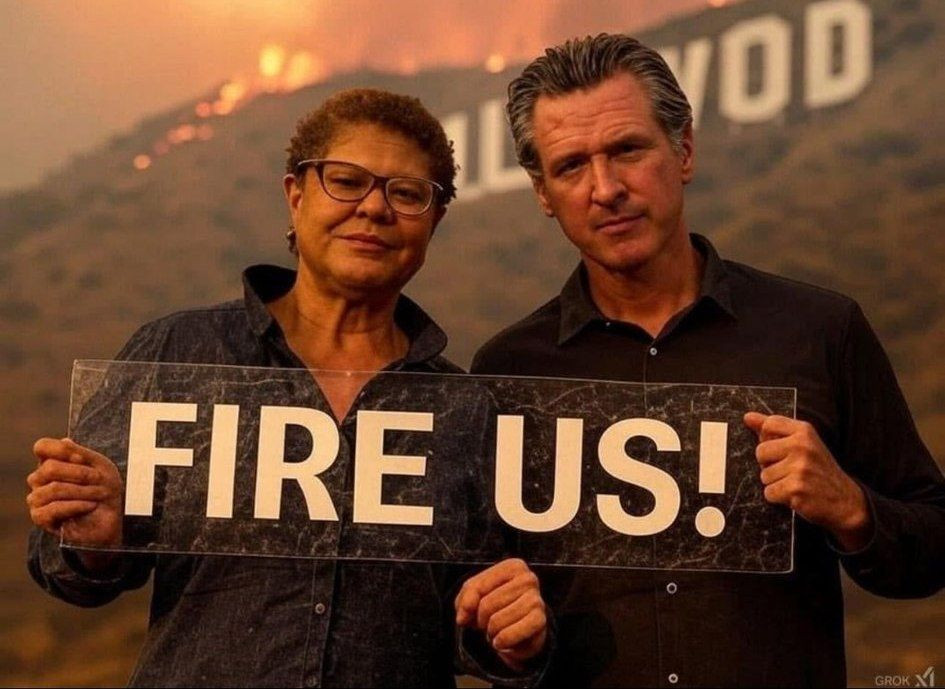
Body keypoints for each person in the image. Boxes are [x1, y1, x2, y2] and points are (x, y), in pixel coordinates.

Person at [27, 88, 547, 687]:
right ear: (296, 195)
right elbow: (65, 569)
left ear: (435, 220)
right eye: (346, 181)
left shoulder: (467, 410)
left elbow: (480, 617)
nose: (374, 208)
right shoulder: (179, 355)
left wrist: (510, 635)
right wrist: (94, 538)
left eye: (406, 193)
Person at [471, 34, 945, 687]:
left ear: (685, 149)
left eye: (627, 149)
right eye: (571, 165)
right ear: (543, 193)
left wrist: (851, 507)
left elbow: (931, 546)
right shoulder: (508, 371)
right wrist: (508, 643)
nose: (605, 188)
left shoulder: (817, 330)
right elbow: (481, 603)